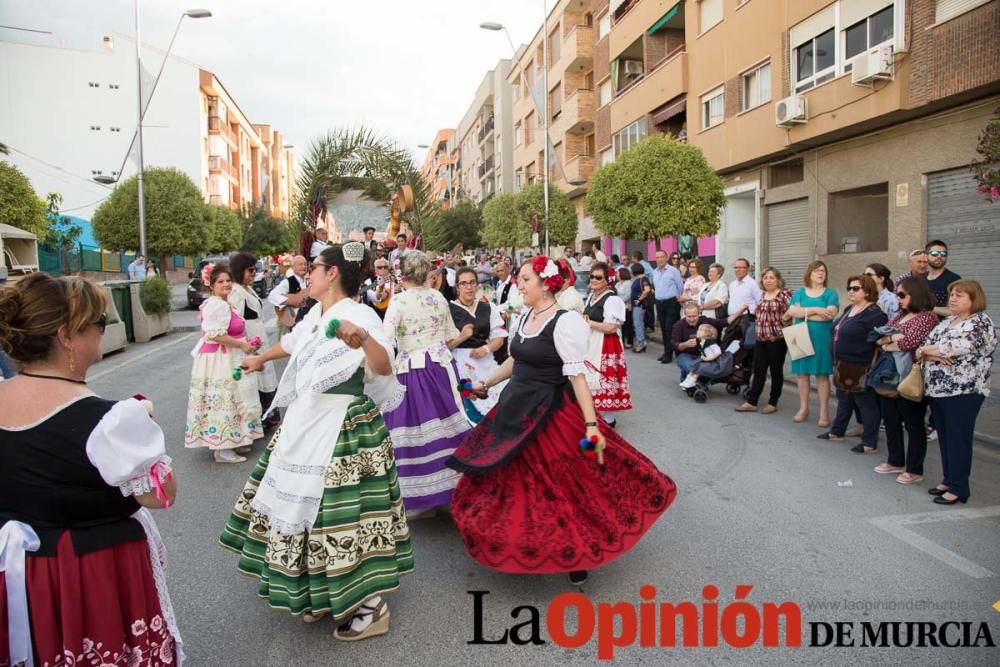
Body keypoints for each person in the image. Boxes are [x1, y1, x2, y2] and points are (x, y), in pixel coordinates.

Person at [446, 256, 677, 586]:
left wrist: (592, 425)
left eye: (525, 279)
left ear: (544, 284)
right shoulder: (527, 315)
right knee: (515, 484)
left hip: (549, 412)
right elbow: (516, 359)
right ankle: (526, 545)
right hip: (515, 408)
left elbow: (577, 377)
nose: (519, 285)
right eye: (519, 279)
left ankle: (576, 554)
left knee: (563, 486)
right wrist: (486, 383)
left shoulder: (566, 321)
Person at [221, 243, 412, 639]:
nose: (308, 273)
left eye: (315, 268)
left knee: (339, 516)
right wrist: (259, 360)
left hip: (341, 425)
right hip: (306, 421)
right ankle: (321, 594)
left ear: (333, 274)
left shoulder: (359, 315)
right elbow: (291, 345)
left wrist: (362, 340)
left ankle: (370, 606)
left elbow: (383, 365)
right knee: (300, 508)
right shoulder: (314, 314)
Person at [0, 273, 181, 664]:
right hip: (89, 572)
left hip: (19, 573)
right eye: (97, 324)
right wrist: (147, 430)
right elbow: (161, 494)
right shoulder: (110, 420)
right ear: (66, 336)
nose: (102, 331)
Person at [381, 251, 471, 515]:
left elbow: (388, 341)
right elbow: (448, 337)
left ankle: (417, 495)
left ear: (403, 274)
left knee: (412, 429)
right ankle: (451, 486)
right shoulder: (438, 298)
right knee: (446, 426)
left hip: (411, 370)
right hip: (440, 367)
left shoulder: (398, 302)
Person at [918, 280, 996, 505]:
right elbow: (922, 347)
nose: (952, 298)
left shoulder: (980, 322)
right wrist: (929, 352)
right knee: (944, 436)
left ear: (974, 299)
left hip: (965, 390)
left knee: (958, 438)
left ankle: (960, 488)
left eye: (959, 295)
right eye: (951, 294)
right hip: (937, 389)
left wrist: (929, 351)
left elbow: (958, 347)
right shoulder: (947, 322)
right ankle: (948, 479)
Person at [184, 263, 263, 463]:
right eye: (220, 281)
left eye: (228, 280)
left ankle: (235, 440)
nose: (226, 284)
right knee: (227, 397)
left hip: (227, 354)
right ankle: (224, 448)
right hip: (219, 359)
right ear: (211, 284)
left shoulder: (224, 303)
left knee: (237, 395)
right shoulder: (216, 304)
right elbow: (215, 334)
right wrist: (241, 345)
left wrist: (246, 343)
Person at [873, 277, 938, 484]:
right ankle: (895, 460)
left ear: (916, 294)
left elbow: (911, 341)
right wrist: (892, 339)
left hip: (911, 377)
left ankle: (914, 468)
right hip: (889, 375)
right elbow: (878, 338)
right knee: (891, 420)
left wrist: (890, 340)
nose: (898, 299)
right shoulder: (899, 315)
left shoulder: (928, 318)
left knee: (913, 424)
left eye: (902, 295)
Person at [817, 275, 888, 453]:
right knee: (843, 400)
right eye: (849, 287)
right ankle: (837, 431)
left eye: (856, 288)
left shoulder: (875, 314)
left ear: (868, 291)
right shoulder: (850, 308)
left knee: (866, 403)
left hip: (860, 365)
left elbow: (878, 341)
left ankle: (870, 442)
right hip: (842, 363)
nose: (851, 291)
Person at [229, 251, 280, 427]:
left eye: (254, 270)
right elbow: (235, 321)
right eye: (250, 270)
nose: (253, 274)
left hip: (258, 337)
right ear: (239, 270)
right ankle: (255, 422)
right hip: (248, 340)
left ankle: (265, 418)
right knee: (254, 380)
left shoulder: (247, 289)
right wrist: (246, 343)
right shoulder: (235, 292)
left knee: (264, 376)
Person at [786, 261, 839, 426]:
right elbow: (791, 312)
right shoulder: (800, 292)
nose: (820, 273)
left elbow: (829, 315)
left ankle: (824, 411)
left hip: (822, 338)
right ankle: (803, 408)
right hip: (799, 335)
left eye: (823, 270)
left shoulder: (831, 293)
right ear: (809, 273)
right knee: (802, 374)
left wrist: (804, 312)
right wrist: (816, 310)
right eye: (817, 270)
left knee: (822, 375)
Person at [449, 267, 508, 415]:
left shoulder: (488, 308)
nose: (468, 287)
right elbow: (443, 346)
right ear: (457, 287)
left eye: (472, 282)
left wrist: (486, 349)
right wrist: (461, 337)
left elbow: (499, 338)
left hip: (486, 360)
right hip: (460, 362)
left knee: (499, 399)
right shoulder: (448, 310)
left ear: (477, 285)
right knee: (471, 405)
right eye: (463, 283)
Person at [736, 268, 791, 413]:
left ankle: (773, 402)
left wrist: (785, 321)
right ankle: (752, 401)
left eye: (772, 277)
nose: (768, 280)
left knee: (775, 371)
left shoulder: (784, 294)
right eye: (766, 278)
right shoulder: (762, 295)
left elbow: (792, 312)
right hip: (760, 338)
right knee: (759, 370)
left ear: (778, 279)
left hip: (777, 339)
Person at [583, 262, 632, 427]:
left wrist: (589, 323)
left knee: (602, 379)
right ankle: (596, 417)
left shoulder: (612, 299)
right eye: (592, 276)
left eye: (598, 277)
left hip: (606, 344)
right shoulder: (591, 296)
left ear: (607, 280)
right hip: (592, 342)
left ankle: (608, 420)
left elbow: (611, 327)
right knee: (590, 378)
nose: (594, 280)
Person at [672, 302, 729, 381]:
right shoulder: (678, 325)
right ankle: (686, 376)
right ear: (685, 315)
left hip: (702, 355)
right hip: (685, 354)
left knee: (714, 367)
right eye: (689, 316)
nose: (692, 319)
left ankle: (700, 379)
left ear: (699, 313)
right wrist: (685, 344)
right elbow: (674, 345)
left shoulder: (704, 320)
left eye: (694, 316)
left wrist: (738, 313)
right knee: (691, 366)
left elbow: (722, 322)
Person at [652, 250, 684, 363]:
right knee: (664, 329)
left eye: (662, 257)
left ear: (666, 258)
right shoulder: (654, 272)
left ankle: (670, 354)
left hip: (671, 303)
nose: (659, 259)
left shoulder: (673, 271)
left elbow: (680, 287)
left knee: (670, 329)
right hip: (660, 303)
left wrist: (675, 298)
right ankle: (666, 351)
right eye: (657, 257)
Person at [267, 255, 310, 338]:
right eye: (300, 264)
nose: (303, 266)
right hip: (292, 322)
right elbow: (272, 296)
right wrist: (292, 301)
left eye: (305, 264)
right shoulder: (287, 282)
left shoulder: (310, 281)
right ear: (293, 267)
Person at [678, 323, 724, 389]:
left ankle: (692, 381)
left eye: (700, 330)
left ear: (708, 334)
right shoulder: (703, 341)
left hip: (714, 362)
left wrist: (707, 358)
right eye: (698, 329)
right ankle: (688, 380)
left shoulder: (711, 343)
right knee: (695, 365)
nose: (697, 331)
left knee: (699, 368)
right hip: (707, 360)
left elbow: (718, 352)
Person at [925, 240, 961, 318]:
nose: (939, 256)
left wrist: (928, 308)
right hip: (921, 326)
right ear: (926, 256)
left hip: (943, 327)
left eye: (943, 254)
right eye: (934, 253)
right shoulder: (920, 278)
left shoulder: (954, 279)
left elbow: (954, 310)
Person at [629, 263, 653, 353]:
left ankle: (641, 343)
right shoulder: (640, 279)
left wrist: (639, 299)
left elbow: (647, 290)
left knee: (638, 324)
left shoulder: (643, 279)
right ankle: (641, 342)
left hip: (639, 305)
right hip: (636, 305)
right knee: (638, 324)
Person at [616, 266, 634, 349]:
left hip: (626, 307)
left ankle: (630, 341)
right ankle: (621, 341)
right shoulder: (618, 283)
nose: (616, 275)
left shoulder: (628, 283)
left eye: (618, 273)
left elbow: (628, 295)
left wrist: (619, 301)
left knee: (628, 325)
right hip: (618, 308)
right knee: (620, 325)